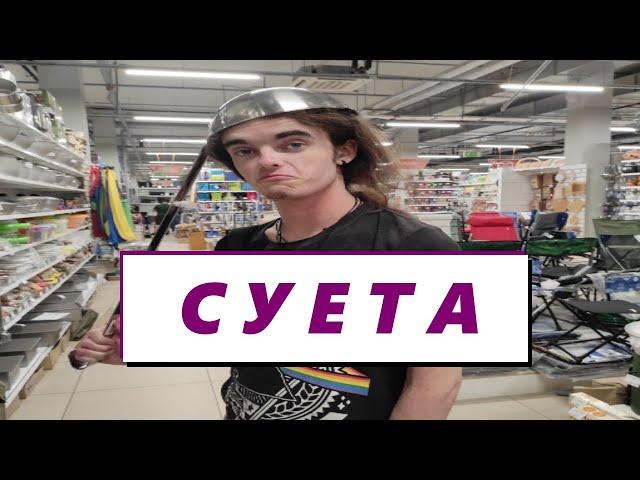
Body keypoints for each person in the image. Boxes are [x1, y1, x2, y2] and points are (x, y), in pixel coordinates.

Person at [74, 87, 462, 420]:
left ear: (344, 150)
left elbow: (435, 386)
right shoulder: (238, 246)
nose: (267, 160)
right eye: (245, 150)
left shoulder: (413, 246)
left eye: (293, 144)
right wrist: (144, 346)